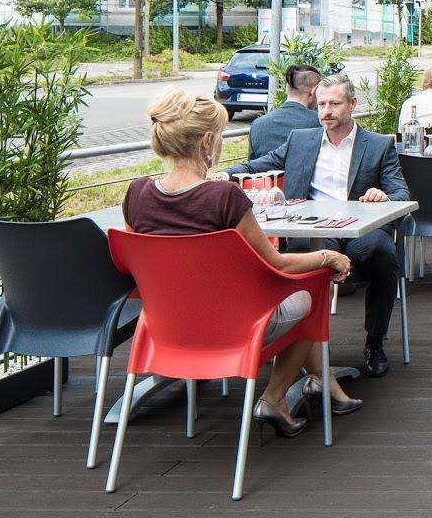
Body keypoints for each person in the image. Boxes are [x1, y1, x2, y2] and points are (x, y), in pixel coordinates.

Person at [122, 89, 361, 439]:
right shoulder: (224, 197)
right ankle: (274, 397)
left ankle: (324, 383)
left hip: (164, 327)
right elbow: (277, 263)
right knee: (312, 294)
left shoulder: (136, 193)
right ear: (207, 141)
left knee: (299, 293)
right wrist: (329, 257)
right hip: (233, 327)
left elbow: (135, 264)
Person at [218, 73, 409, 378]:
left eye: (334, 104)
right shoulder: (300, 140)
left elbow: (401, 193)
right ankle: (301, 350)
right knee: (297, 254)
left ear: (352, 104)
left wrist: (383, 195)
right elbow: (259, 164)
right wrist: (225, 175)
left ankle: (375, 342)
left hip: (360, 235)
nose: (326, 111)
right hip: (314, 232)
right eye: (321, 104)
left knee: (383, 252)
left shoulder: (378, 144)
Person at [247, 63, 321, 160]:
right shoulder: (321, 123)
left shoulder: (257, 125)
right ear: (314, 91)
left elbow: (251, 165)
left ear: (286, 89)